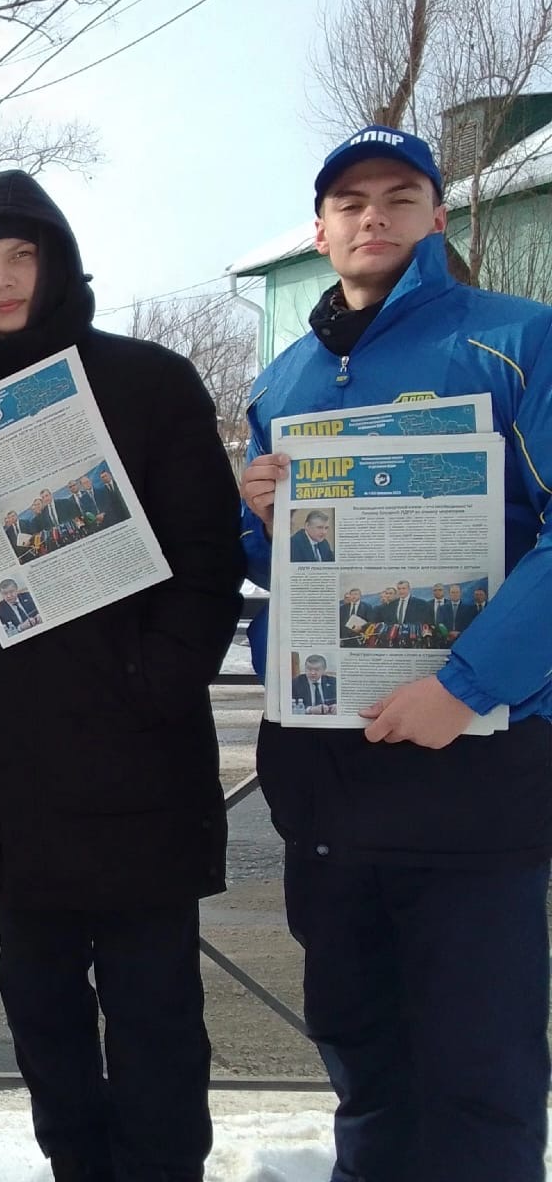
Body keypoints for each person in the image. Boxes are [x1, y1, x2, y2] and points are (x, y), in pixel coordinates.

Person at [0, 170, 243, 1182]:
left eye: (21, 256)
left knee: (156, 1022)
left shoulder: (150, 381)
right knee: (44, 1020)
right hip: (9, 774)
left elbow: (208, 560)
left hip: (139, 767)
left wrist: (155, 683)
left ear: (55, 261)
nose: (3, 280)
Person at [239, 125, 552, 1182]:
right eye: (351, 202)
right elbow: (278, 567)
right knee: (363, 1056)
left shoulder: (518, 339)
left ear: (435, 217)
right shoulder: (281, 382)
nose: (372, 216)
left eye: (398, 197)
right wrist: (258, 515)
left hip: (473, 764)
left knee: (478, 1067)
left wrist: (464, 687)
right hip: (329, 772)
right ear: (320, 231)